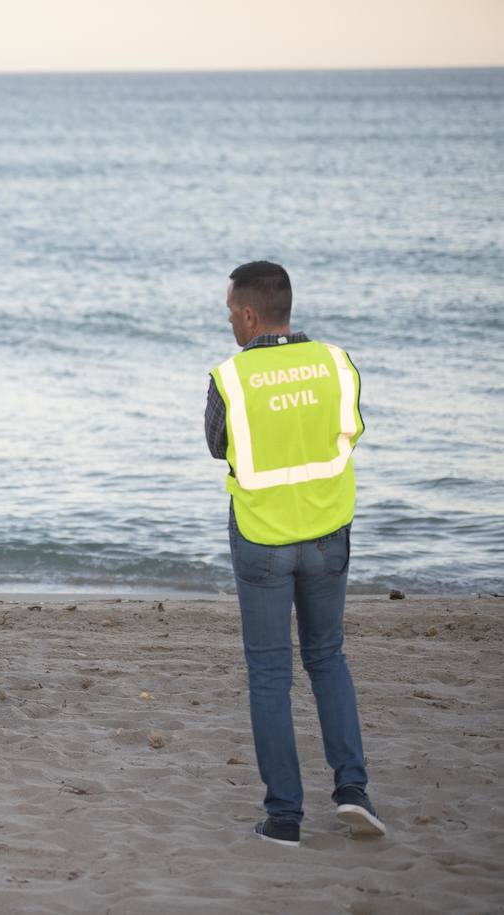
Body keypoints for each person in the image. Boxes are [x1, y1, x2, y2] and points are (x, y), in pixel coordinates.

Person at [206, 260, 385, 846]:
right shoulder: (337, 363)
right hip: (328, 532)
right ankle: (353, 790)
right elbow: (350, 430)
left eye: (230, 312)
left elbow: (217, 445)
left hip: (262, 539)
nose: (229, 321)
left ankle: (284, 817)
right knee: (328, 657)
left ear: (250, 314)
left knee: (269, 674)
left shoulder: (231, 377)